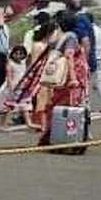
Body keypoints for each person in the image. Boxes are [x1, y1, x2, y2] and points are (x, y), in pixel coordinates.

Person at [38, 12, 89, 145]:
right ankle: (69, 135)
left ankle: (50, 134)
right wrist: (73, 78)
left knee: (56, 104)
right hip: (71, 78)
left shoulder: (59, 38)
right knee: (70, 105)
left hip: (61, 78)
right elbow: (69, 56)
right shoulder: (71, 36)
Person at [0, 45, 33, 131]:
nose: (19, 56)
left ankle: (28, 123)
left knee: (25, 106)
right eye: (16, 54)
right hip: (13, 87)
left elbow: (30, 60)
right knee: (8, 108)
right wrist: (11, 88)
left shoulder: (24, 64)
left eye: (21, 54)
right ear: (13, 54)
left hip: (22, 87)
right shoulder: (10, 63)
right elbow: (8, 77)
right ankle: (2, 125)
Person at [84, 13, 101, 113]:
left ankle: (86, 106)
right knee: (100, 81)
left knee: (86, 83)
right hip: (99, 58)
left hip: (90, 58)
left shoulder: (87, 30)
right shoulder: (100, 30)